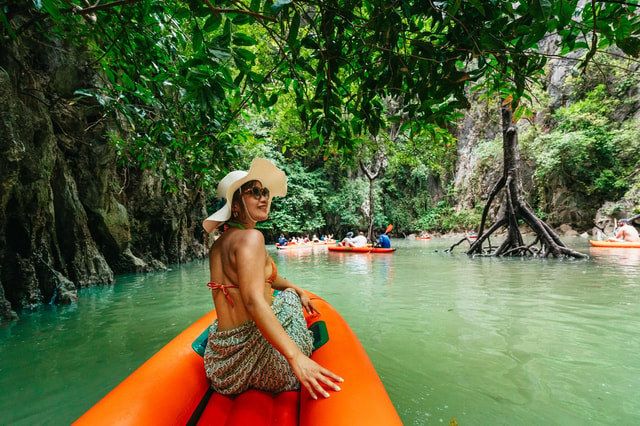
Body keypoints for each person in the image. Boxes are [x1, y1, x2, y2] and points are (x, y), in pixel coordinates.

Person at [202, 158, 343, 399]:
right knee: (288, 302)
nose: (264, 197)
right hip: (261, 366)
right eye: (254, 192)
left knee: (288, 294)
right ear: (235, 204)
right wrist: (296, 357)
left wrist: (294, 287)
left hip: (223, 366)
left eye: (265, 192)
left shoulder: (219, 245)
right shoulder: (252, 238)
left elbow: (265, 278)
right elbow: (253, 301)